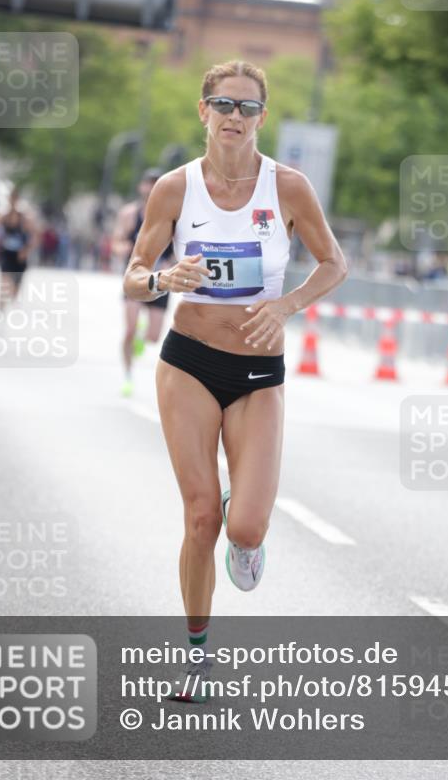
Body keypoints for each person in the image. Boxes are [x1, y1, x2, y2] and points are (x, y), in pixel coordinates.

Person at [123, 60, 348, 701]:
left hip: (258, 373)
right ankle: (196, 654)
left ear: (261, 119)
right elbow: (134, 276)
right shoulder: (173, 188)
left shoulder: (289, 188)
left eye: (246, 108)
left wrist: (286, 305)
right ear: (203, 112)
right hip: (189, 361)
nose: (233, 117)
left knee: (244, 527)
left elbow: (335, 262)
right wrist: (165, 280)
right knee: (200, 517)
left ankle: (245, 536)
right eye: (223, 105)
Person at [113, 168, 175, 396]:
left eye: (155, 184)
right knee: (128, 329)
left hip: (161, 279)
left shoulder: (172, 213)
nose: (150, 188)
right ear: (141, 187)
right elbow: (117, 241)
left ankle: (142, 334)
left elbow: (179, 248)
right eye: (147, 183)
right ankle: (128, 376)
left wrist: (171, 264)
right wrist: (125, 250)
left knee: (153, 337)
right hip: (137, 278)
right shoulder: (130, 214)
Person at [0, 188, 37, 307]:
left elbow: (34, 237)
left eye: (15, 198)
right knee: (4, 281)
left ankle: (10, 301)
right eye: (11, 198)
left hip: (20, 256)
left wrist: (26, 250)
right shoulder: (4, 217)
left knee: (15, 290)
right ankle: (0, 308)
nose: (13, 201)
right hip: (7, 254)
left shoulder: (23, 219)